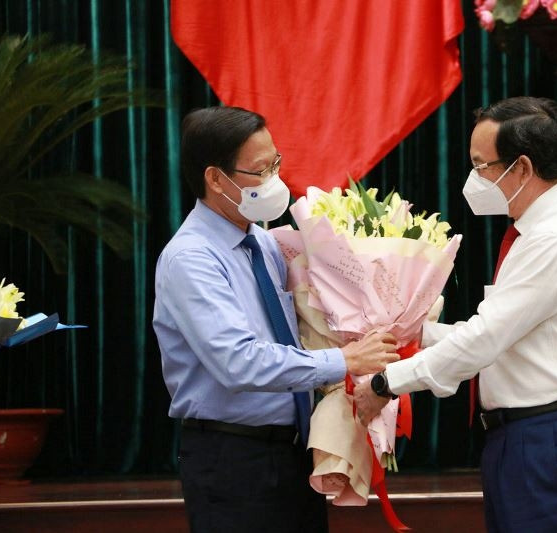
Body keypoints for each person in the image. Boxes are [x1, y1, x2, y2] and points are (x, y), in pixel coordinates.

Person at [355, 96, 557, 533]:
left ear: (522, 169)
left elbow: (485, 338)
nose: (474, 179)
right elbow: (505, 333)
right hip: (528, 436)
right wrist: (412, 332)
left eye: (482, 166)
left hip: (546, 438)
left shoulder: (555, 238)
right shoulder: (541, 230)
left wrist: (386, 382)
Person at [153, 106, 399, 533]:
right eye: (260, 171)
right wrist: (344, 360)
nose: (274, 181)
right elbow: (239, 362)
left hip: (291, 451)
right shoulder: (191, 259)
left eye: (276, 164)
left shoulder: (264, 244)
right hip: (233, 456)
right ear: (215, 178)